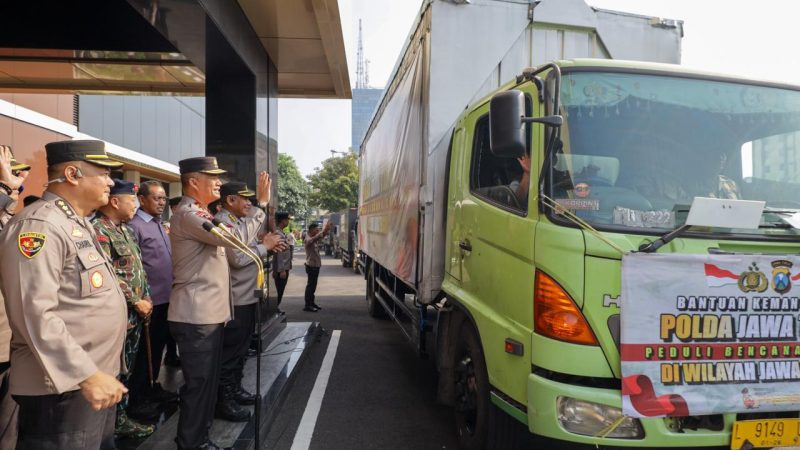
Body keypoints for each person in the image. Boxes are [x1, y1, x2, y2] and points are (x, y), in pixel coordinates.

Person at [0, 139, 128, 449]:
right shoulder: (38, 225)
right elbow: (34, 314)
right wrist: (86, 375)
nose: (111, 181)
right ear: (72, 174)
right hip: (63, 388)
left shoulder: (75, 222)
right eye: (103, 172)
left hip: (90, 382)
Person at [168, 157, 283, 450]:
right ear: (194, 182)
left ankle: (199, 437)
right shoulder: (189, 215)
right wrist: (259, 207)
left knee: (206, 385)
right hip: (196, 316)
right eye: (213, 178)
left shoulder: (200, 213)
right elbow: (237, 244)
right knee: (199, 386)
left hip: (207, 313)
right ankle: (192, 443)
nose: (219, 183)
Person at [92, 179, 155, 440]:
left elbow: (137, 268)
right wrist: (134, 300)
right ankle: (110, 423)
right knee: (113, 370)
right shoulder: (99, 230)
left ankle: (120, 418)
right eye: (132, 201)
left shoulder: (126, 230)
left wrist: (147, 298)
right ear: (115, 202)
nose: (136, 206)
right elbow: (106, 272)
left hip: (137, 314)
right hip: (119, 314)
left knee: (127, 369)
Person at [214, 176, 281, 422]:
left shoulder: (239, 221)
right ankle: (225, 400)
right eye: (246, 200)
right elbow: (239, 259)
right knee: (231, 353)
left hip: (247, 297)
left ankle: (235, 389)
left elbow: (248, 248)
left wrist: (267, 244)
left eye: (252, 200)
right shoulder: (223, 222)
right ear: (230, 200)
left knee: (241, 351)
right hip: (235, 299)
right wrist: (264, 246)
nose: (249, 204)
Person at [126, 180, 178, 420]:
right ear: (142, 199)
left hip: (166, 298)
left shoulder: (159, 225)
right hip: (149, 301)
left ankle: (151, 385)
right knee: (144, 353)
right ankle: (138, 398)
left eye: (164, 198)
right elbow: (134, 267)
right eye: (156, 198)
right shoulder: (134, 226)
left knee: (157, 349)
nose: (161, 202)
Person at [0, 145, 30, 449]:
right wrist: (8, 184)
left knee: (8, 424)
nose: (16, 190)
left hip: (10, 338)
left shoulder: (10, 223)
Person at [303, 221, 332, 312]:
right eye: (316, 230)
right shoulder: (308, 239)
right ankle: (308, 305)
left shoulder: (312, 237)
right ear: (311, 230)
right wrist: (322, 232)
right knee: (310, 286)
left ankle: (312, 303)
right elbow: (313, 240)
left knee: (313, 286)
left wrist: (325, 231)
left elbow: (319, 237)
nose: (317, 231)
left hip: (315, 266)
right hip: (311, 266)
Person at [273, 211, 293, 313]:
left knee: (280, 289)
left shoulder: (281, 232)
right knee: (279, 289)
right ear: (283, 220)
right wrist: (281, 270)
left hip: (285, 266)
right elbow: (279, 252)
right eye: (287, 219)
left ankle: (276, 307)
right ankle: (275, 308)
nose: (288, 221)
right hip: (282, 268)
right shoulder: (278, 233)